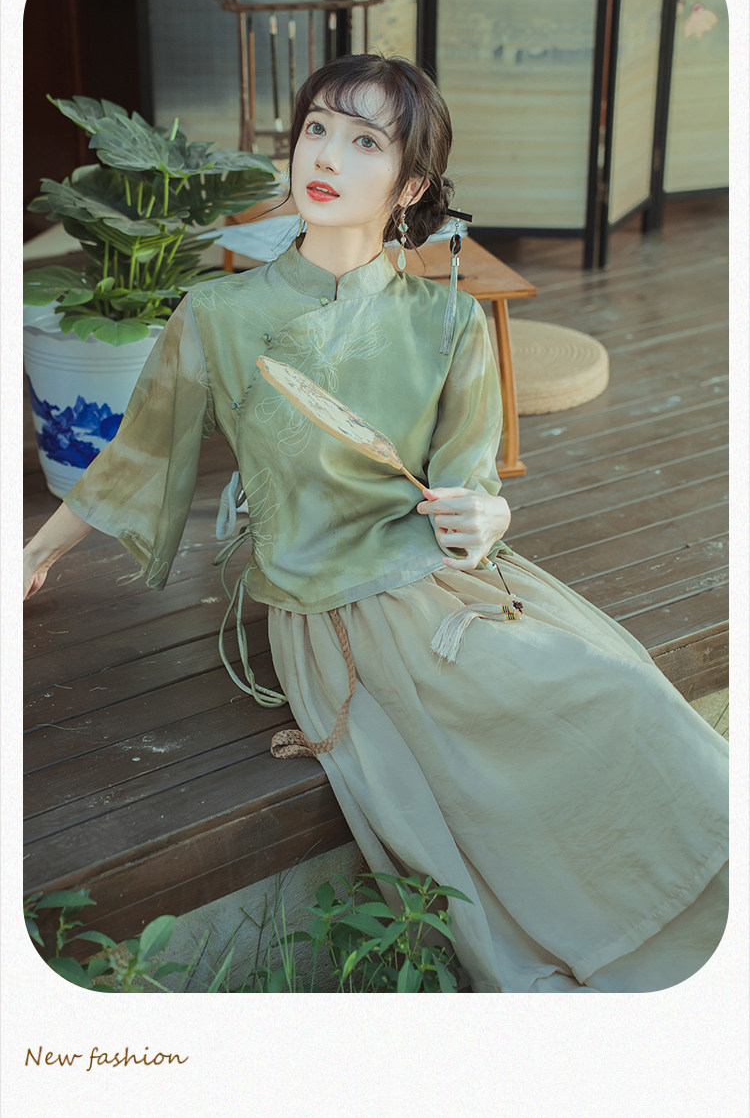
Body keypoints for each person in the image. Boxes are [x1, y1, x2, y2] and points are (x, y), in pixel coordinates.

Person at [23, 54, 728, 993]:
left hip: (445, 584)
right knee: (567, 711)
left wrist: (485, 513)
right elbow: (137, 455)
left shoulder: (449, 321)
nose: (325, 155)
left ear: (410, 187)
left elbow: (470, 483)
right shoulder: (219, 313)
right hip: (336, 613)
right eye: (317, 127)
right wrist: (32, 553)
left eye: (365, 142)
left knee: (616, 689)